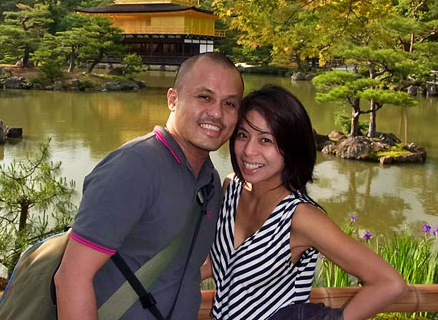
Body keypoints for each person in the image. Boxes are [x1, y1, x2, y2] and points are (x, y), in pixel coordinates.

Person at [54, 52, 244, 320]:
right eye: (204, 97)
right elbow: (72, 277)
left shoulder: (210, 181)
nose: (216, 113)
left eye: (229, 104)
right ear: (172, 99)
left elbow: (183, 267)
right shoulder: (134, 167)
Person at [204, 85, 407, 320]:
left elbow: (389, 283)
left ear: (291, 147)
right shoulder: (232, 188)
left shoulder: (300, 217)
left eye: (266, 140)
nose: (249, 151)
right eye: (243, 135)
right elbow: (223, 263)